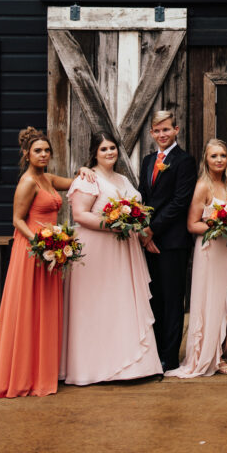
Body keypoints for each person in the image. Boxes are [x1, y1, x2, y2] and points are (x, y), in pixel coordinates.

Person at [0, 127, 91, 398]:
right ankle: (21, 373)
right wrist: (40, 243)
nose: (43, 155)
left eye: (47, 151)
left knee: (45, 309)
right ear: (27, 154)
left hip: (51, 251)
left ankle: (42, 370)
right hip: (31, 250)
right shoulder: (28, 181)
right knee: (28, 309)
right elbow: (17, 219)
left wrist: (85, 171)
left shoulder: (48, 178)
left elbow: (74, 182)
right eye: (38, 151)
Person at [61, 132, 162, 385]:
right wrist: (113, 225)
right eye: (104, 149)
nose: (110, 152)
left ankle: (131, 364)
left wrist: (140, 233)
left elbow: (135, 213)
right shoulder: (88, 179)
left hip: (123, 250)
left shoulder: (122, 178)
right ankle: (94, 367)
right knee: (97, 305)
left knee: (121, 302)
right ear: (95, 152)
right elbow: (80, 215)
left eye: (113, 148)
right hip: (97, 251)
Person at [167, 139, 227, 378]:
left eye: (223, 155)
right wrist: (218, 225)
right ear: (206, 159)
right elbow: (192, 224)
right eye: (214, 156)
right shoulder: (202, 186)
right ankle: (213, 355)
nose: (219, 160)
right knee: (214, 303)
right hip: (212, 250)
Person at [137, 110, 198, 372]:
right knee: (155, 298)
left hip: (172, 241)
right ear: (151, 133)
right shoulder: (148, 160)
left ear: (176, 130)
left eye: (166, 129)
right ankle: (155, 351)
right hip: (149, 240)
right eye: (157, 130)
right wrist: (143, 230)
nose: (162, 134)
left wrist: (151, 230)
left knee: (173, 299)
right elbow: (143, 196)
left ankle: (170, 356)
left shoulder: (185, 161)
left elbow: (179, 202)